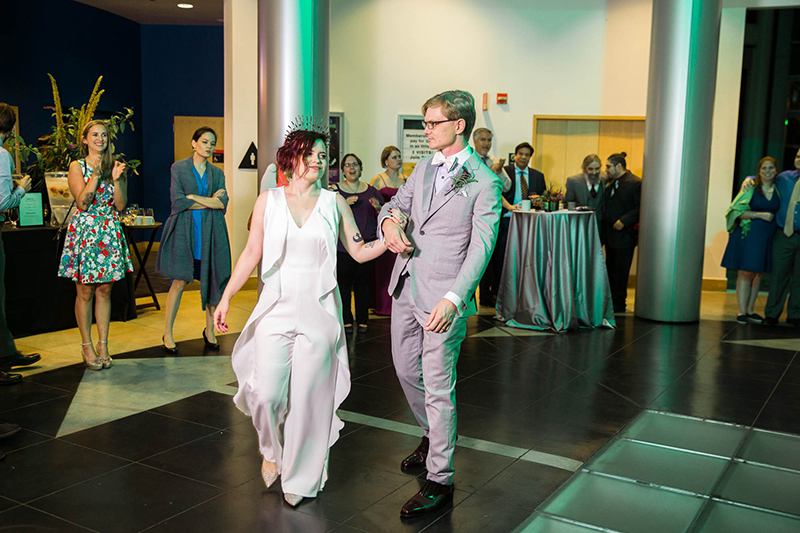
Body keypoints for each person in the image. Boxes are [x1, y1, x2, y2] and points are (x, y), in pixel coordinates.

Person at [213, 128, 394, 508]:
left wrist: (390, 241)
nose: (318, 160)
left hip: (320, 312)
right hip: (275, 309)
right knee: (266, 394)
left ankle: (300, 478)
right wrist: (226, 297)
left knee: (309, 401)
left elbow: (358, 251)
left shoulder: (334, 202)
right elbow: (251, 253)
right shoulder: (269, 200)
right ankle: (270, 450)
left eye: (323, 155)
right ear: (291, 157)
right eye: (310, 153)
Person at [378, 90, 502, 517]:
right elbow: (396, 205)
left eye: (433, 123)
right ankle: (432, 434)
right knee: (404, 370)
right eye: (425, 123)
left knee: (438, 387)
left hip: (443, 299)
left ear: (458, 125)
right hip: (405, 285)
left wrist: (454, 298)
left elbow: (481, 248)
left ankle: (440, 479)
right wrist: (389, 223)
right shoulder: (423, 167)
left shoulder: (484, 181)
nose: (426, 130)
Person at [58, 120, 132, 370]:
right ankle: (86, 345)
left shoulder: (116, 166)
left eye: (104, 135)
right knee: (85, 292)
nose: (100, 139)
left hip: (108, 231)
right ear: (84, 140)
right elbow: (83, 203)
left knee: (105, 291)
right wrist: (98, 173)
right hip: (85, 232)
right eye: (95, 135)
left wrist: (117, 180)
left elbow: (120, 205)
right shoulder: (76, 166)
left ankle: (103, 344)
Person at [156, 127, 231, 353]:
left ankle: (210, 331)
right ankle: (168, 333)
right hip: (184, 232)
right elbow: (178, 202)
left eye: (212, 143)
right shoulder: (178, 168)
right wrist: (209, 201)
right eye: (205, 142)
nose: (209, 146)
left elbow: (222, 203)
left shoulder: (217, 173)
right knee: (179, 282)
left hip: (210, 233)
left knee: (211, 280)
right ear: (194, 143)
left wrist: (194, 198)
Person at [0, 103, 39, 384]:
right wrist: (22, 188)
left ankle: (6, 351)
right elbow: (3, 202)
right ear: (12, 128)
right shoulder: (2, 155)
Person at [742, 148, 800, 326]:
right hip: (784, 235)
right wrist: (749, 178)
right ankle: (772, 314)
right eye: (798, 156)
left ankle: (795, 315)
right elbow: (764, 177)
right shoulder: (784, 178)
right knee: (778, 277)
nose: (799, 159)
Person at [721, 157, 780, 324]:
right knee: (746, 272)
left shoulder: (778, 188)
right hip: (748, 235)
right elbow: (735, 211)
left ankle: (751, 310)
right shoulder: (751, 187)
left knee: (758, 274)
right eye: (764, 168)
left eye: (771, 168)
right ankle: (741, 311)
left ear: (776, 170)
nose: (768, 171)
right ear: (759, 171)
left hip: (768, 236)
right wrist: (759, 215)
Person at [492, 142, 546, 317]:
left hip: (529, 222)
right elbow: (495, 192)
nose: (523, 157)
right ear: (514, 155)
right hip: (506, 220)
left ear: (530, 157)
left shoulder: (538, 176)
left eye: (527, 155)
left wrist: (538, 201)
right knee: (501, 258)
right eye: (520, 154)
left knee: (526, 259)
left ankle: (522, 294)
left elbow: (543, 199)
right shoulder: (505, 171)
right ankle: (499, 294)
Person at [331, 153, 383, 332]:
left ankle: (362, 320)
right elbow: (327, 215)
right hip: (342, 246)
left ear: (361, 169)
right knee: (343, 285)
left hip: (368, 245)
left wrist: (379, 208)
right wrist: (343, 203)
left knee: (362, 284)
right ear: (342, 170)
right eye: (347, 165)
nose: (351, 168)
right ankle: (346, 320)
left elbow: (382, 215)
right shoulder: (334, 192)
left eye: (355, 164)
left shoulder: (372, 191)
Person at [472, 127, 510, 307]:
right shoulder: (469, 160)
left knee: (495, 258)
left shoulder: (495, 162)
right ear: (475, 141)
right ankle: (474, 297)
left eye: (489, 140)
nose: (486, 143)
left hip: (493, 217)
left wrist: (499, 171)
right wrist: (490, 172)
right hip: (472, 217)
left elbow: (507, 187)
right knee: (476, 258)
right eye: (483, 140)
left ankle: (491, 296)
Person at [602, 152, 641, 313]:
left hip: (625, 235)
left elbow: (640, 207)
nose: (606, 170)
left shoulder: (635, 183)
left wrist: (624, 220)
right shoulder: (610, 183)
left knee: (621, 271)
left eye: (608, 166)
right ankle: (610, 301)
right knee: (610, 269)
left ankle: (619, 303)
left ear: (619, 166)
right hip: (610, 235)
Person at [369, 146, 406, 316]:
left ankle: (398, 305)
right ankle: (382, 305)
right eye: (394, 157)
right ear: (386, 161)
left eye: (399, 156)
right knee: (384, 267)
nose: (398, 159)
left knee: (399, 265)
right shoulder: (378, 180)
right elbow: (371, 203)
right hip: (384, 226)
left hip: (401, 225)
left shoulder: (405, 179)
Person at [565, 154, 604, 234]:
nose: (594, 172)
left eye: (597, 169)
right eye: (590, 169)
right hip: (579, 226)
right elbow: (568, 204)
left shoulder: (605, 181)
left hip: (600, 227)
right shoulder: (573, 181)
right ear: (584, 169)